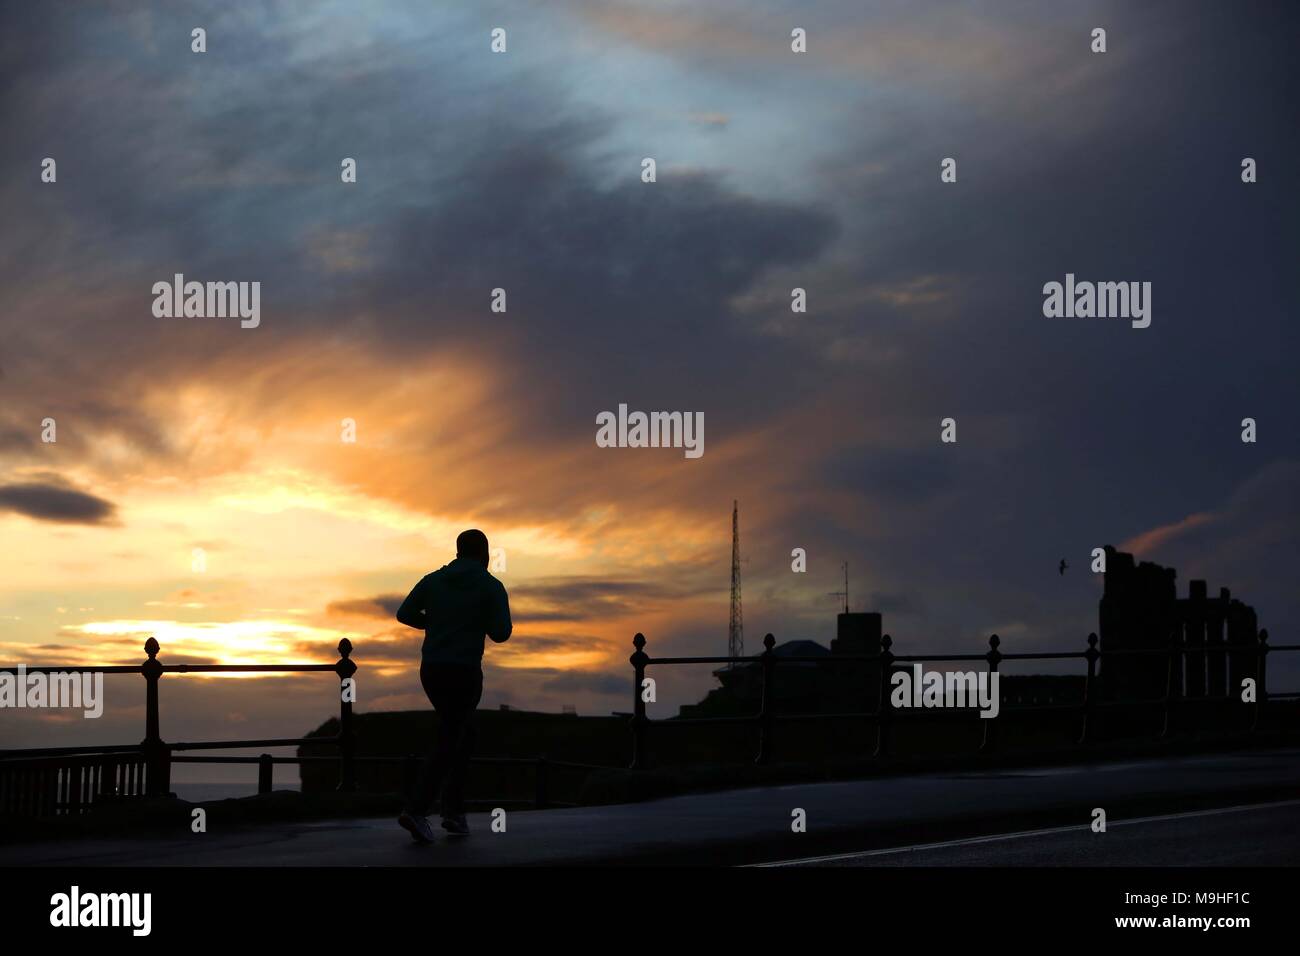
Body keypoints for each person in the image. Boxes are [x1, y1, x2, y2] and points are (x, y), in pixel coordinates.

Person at [395, 529, 512, 843]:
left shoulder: (433, 580)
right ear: (485, 553)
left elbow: (404, 613)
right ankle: (418, 810)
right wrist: (477, 618)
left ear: (458, 552)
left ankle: (453, 812)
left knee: (461, 732)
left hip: (432, 669)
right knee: (452, 736)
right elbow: (502, 633)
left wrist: (433, 623)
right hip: (464, 671)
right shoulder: (491, 586)